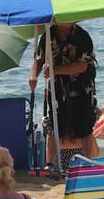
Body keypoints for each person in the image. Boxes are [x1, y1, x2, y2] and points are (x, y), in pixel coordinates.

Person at [29, 22, 98, 169]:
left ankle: (88, 162)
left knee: (84, 126)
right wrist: (33, 75)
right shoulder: (48, 34)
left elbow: (82, 66)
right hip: (57, 87)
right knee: (54, 123)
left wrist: (56, 70)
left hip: (81, 87)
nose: (62, 26)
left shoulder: (82, 36)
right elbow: (38, 59)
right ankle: (50, 163)